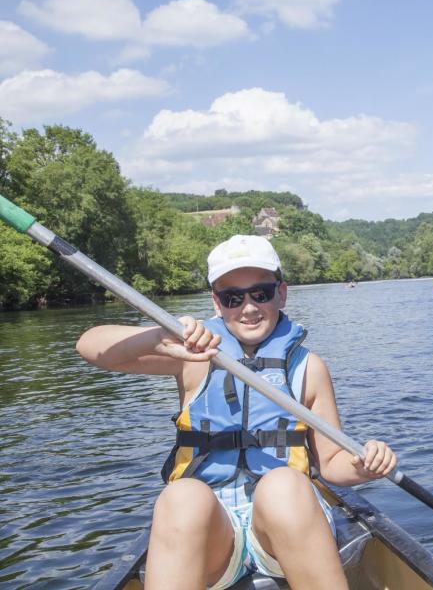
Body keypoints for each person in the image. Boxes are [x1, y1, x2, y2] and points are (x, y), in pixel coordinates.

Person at [76, 235, 397, 590]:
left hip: (282, 526)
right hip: (213, 534)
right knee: (182, 496)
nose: (248, 308)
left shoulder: (309, 368)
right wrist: (156, 337)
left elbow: (332, 463)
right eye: (233, 297)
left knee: (283, 485)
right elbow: (91, 346)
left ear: (282, 293)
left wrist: (362, 466)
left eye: (260, 293)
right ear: (216, 302)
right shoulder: (192, 355)